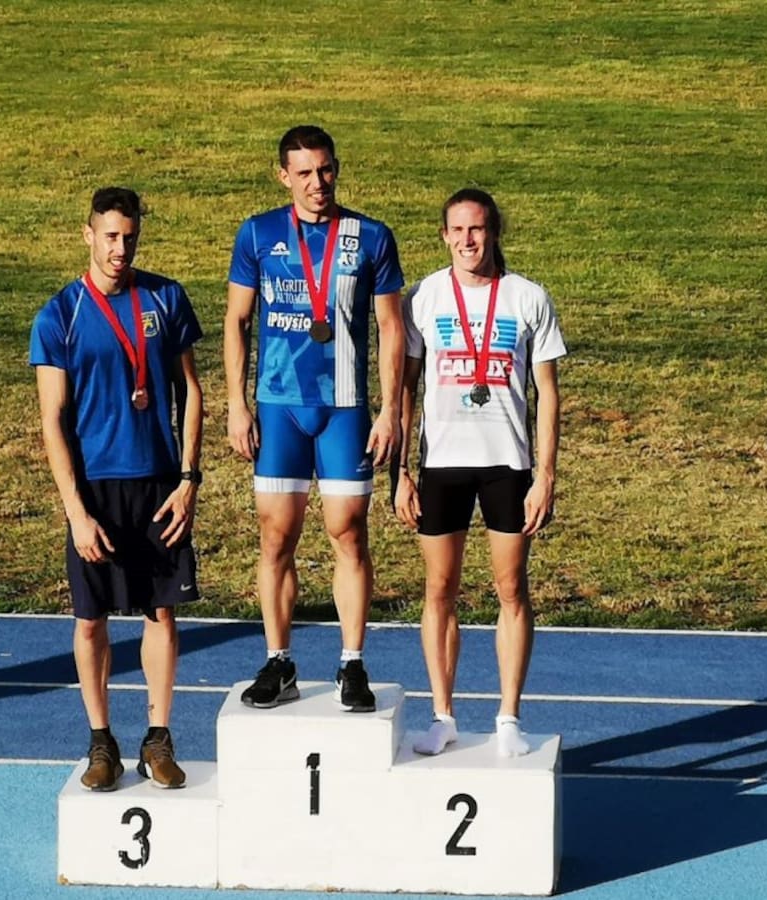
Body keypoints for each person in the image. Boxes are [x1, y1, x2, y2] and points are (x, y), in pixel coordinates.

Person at [224, 125, 405, 712]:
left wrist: (390, 411)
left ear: (337, 168)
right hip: (280, 405)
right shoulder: (258, 233)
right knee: (276, 534)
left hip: (345, 407)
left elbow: (391, 328)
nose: (316, 182)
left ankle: (352, 663)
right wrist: (237, 404)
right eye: (303, 173)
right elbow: (237, 320)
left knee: (347, 530)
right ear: (283, 176)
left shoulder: (371, 236)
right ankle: (279, 660)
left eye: (325, 170)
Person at [30, 186, 204, 790]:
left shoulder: (165, 297)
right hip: (95, 488)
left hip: (158, 483)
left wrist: (188, 479)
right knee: (90, 619)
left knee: (161, 611)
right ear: (88, 235)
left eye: (129, 237)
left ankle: (158, 738)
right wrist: (75, 511)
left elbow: (191, 392)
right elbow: (52, 420)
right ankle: (101, 741)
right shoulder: (60, 314)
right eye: (109, 237)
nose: (120, 249)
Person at [394, 188, 566, 756]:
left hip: (507, 463)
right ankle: (442, 715)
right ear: (444, 236)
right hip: (441, 461)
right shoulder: (423, 298)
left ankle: (509, 718)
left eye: (478, 229)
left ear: (493, 233)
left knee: (511, 588)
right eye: (458, 230)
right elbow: (404, 391)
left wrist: (545, 475)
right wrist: (400, 471)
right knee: (439, 589)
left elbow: (547, 394)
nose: (468, 240)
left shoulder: (527, 297)